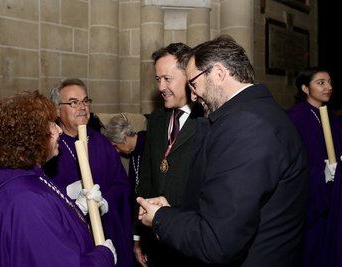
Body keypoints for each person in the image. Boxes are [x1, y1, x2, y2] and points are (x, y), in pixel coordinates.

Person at [137, 35, 309, 267]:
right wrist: (173, 213)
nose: (194, 95)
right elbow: (221, 208)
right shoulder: (255, 113)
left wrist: (161, 218)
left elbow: (216, 242)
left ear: (218, 73)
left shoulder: (248, 127)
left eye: (194, 83)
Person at [0, 91, 116, 266]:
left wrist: (74, 208)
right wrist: (103, 256)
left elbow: (38, 237)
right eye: (52, 125)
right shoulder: (27, 200)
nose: (60, 130)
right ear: (31, 136)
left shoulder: (10, 174)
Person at [44, 78, 133, 267]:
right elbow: (41, 197)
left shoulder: (101, 142)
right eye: (74, 102)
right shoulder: (49, 147)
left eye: (85, 101)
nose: (82, 107)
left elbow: (123, 185)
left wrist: (104, 201)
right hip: (72, 241)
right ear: (57, 110)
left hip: (108, 231)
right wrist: (69, 198)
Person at [135, 42, 203, 266]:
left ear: (188, 77)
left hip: (191, 242)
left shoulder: (207, 121)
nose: (161, 86)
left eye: (167, 78)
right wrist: (139, 236)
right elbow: (146, 180)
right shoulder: (155, 120)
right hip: (156, 241)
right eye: (157, 79)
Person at [287, 68, 342, 267]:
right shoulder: (294, 118)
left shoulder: (334, 119)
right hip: (312, 200)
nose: (329, 87)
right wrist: (322, 174)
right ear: (305, 88)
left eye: (329, 82)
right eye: (321, 83)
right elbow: (292, 162)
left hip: (334, 197)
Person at [103, 113, 147, 193]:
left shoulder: (149, 143)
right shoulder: (133, 151)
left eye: (115, 146)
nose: (117, 151)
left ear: (125, 139)